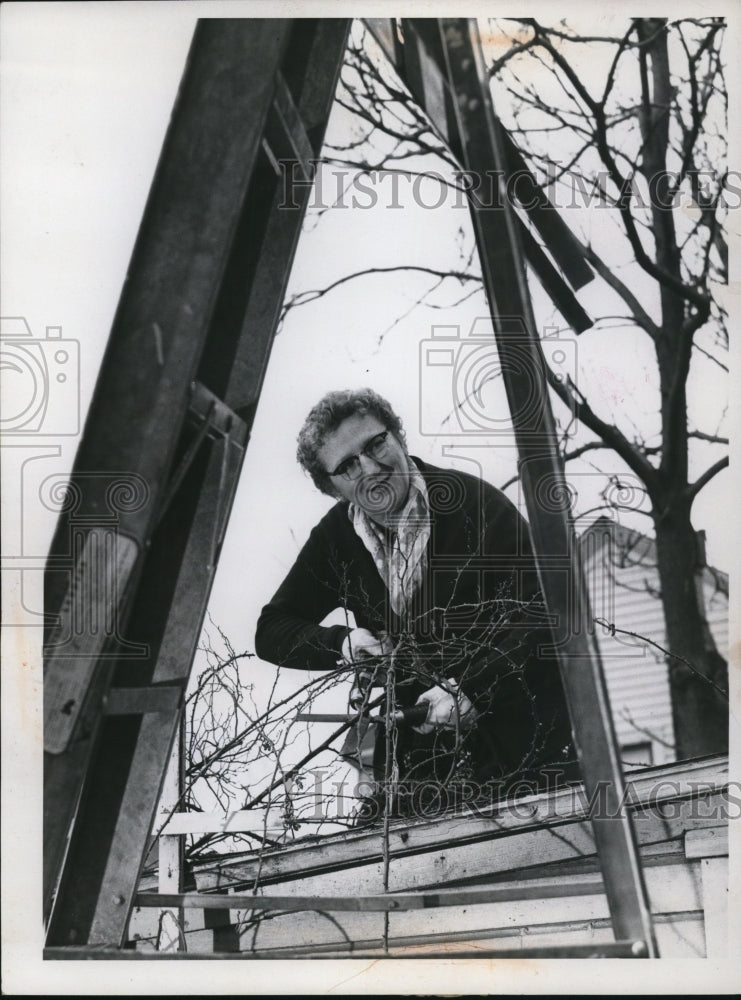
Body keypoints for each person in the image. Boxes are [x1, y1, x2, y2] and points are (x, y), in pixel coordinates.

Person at [255, 389, 578, 817]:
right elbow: (272, 630)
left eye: (376, 444)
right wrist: (343, 643)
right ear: (332, 488)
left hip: (528, 765)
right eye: (348, 465)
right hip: (420, 782)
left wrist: (472, 690)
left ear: (398, 436)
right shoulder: (335, 538)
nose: (371, 469)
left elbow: (551, 614)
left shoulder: (474, 505)